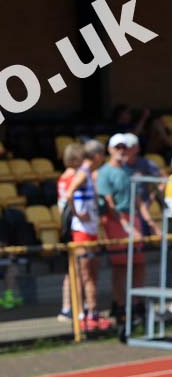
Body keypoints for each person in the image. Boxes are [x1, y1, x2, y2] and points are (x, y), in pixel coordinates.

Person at [97, 134, 145, 329]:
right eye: (117, 147)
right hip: (117, 222)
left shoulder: (127, 171)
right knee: (121, 266)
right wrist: (126, 226)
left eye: (124, 147)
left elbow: (137, 200)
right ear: (110, 149)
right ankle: (120, 305)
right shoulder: (105, 172)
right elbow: (109, 204)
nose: (121, 151)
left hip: (131, 218)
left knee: (138, 264)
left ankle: (136, 304)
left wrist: (149, 222)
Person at [66, 140, 109, 331]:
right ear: (98, 156)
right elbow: (69, 193)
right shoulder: (83, 172)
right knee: (86, 273)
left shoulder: (89, 173)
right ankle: (84, 313)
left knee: (92, 273)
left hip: (90, 230)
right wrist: (78, 214)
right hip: (83, 231)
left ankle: (92, 311)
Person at [56, 143, 84, 321]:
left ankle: (67, 307)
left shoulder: (62, 177)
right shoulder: (74, 176)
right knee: (78, 268)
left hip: (66, 227)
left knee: (71, 269)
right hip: (75, 226)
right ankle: (76, 308)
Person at [122, 132, 164, 237]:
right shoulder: (117, 166)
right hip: (123, 213)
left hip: (142, 211)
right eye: (123, 147)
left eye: (129, 146)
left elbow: (163, 178)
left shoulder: (145, 163)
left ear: (137, 148)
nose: (126, 150)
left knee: (142, 245)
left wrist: (153, 196)